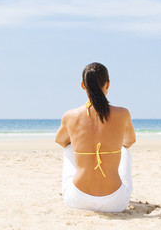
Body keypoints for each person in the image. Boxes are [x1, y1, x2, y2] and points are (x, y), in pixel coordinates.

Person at [55, 62, 136, 213]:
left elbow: (61, 141)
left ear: (83, 85)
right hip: (115, 202)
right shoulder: (123, 113)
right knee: (124, 150)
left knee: (69, 148)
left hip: (78, 199)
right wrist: (111, 142)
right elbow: (130, 141)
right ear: (108, 84)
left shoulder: (70, 115)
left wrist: (84, 143)